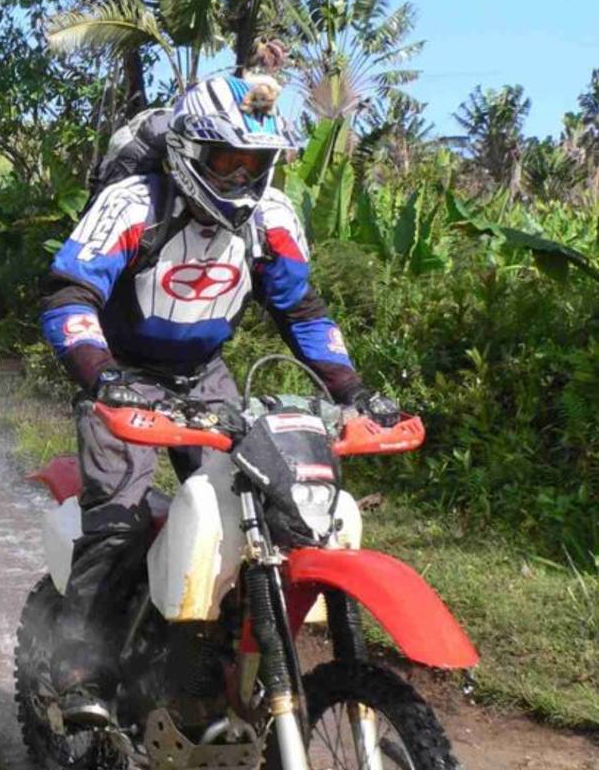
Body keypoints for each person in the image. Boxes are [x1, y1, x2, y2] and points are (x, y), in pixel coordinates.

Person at [37, 75, 401, 724]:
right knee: (119, 519)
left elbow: (303, 310)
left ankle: (215, 660)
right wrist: (100, 375)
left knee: (262, 513)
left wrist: (354, 391)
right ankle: (79, 671)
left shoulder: (273, 219)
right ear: (188, 153)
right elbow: (70, 294)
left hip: (208, 376)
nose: (238, 178)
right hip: (124, 376)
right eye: (226, 162)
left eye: (253, 164)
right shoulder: (132, 204)